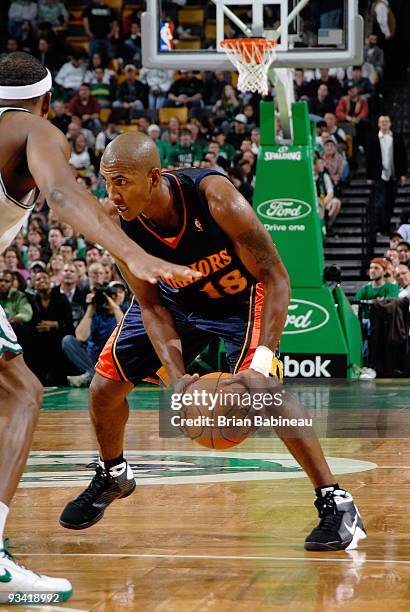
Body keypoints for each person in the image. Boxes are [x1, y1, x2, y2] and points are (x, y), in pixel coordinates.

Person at [60, 132, 366, 554]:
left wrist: (262, 360)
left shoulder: (216, 198)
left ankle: (336, 502)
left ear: (154, 176)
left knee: (267, 394)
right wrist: (179, 379)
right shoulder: (117, 220)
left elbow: (275, 277)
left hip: (239, 300)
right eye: (106, 182)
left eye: (122, 182)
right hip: (174, 300)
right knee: (104, 387)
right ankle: (113, 472)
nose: (112, 194)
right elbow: (149, 303)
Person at [0, 52, 198, 600]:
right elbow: (62, 194)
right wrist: (132, 254)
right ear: (44, 100)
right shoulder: (35, 128)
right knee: (19, 394)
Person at [63, 283, 125, 387]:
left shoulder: (127, 310)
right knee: (67, 340)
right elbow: (81, 337)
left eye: (119, 292)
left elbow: (124, 331)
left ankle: (91, 376)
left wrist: (115, 307)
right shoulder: (96, 312)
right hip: (94, 359)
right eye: (112, 293)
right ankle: (94, 374)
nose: (115, 296)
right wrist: (91, 308)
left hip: (114, 359)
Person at [366, 115, 407, 236]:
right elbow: (369, 158)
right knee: (380, 202)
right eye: (382, 121)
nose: (384, 123)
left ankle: (386, 227)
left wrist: (403, 174)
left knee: (390, 202)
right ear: (378, 124)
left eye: (386, 121)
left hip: (393, 174)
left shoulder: (397, 137)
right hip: (379, 175)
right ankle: (378, 227)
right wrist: (369, 176)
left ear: (390, 123)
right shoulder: (373, 138)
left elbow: (403, 156)